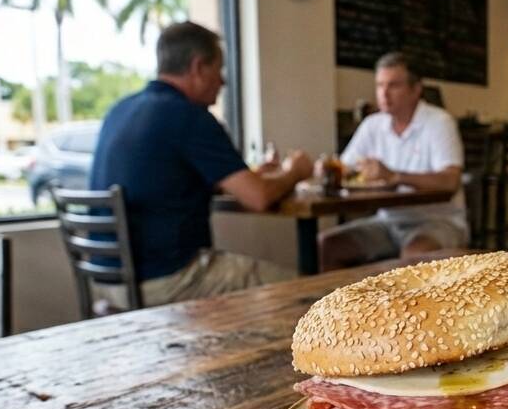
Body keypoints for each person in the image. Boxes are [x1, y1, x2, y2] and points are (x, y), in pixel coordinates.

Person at [89, 21, 312, 306]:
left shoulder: (120, 110)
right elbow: (258, 198)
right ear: (198, 67)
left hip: (106, 280)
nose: (223, 81)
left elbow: (167, 182)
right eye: (219, 70)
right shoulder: (189, 116)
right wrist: (296, 171)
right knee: (310, 295)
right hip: (167, 279)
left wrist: (253, 176)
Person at [318, 52, 467, 271]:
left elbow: (450, 181)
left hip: (438, 221)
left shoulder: (439, 122)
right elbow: (346, 166)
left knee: (413, 256)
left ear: (416, 89)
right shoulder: (373, 125)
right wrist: (327, 169)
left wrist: (395, 176)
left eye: (393, 86)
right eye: (379, 85)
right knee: (327, 245)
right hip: (388, 221)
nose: (384, 94)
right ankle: (344, 305)